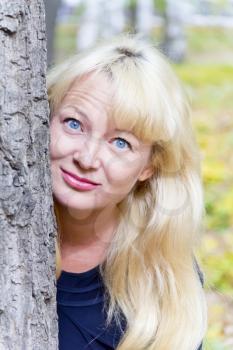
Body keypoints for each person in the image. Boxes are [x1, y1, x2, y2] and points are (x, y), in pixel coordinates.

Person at [47, 35, 207, 350]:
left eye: (121, 143)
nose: (87, 159)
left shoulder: (167, 288)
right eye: (74, 124)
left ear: (150, 166)